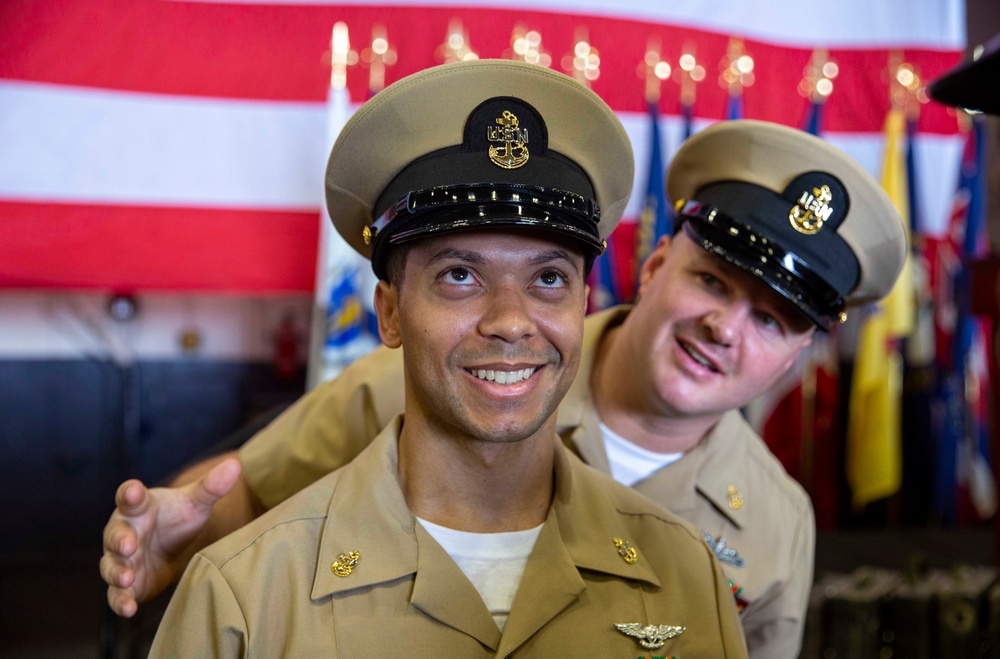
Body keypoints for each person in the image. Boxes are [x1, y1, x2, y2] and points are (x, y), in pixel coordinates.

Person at [104, 99, 908, 658]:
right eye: (714, 283)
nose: (725, 328)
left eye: (771, 320)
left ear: (797, 352)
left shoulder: (776, 523)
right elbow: (249, 493)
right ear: (657, 264)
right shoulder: (442, 378)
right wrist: (179, 537)